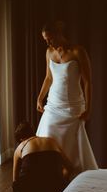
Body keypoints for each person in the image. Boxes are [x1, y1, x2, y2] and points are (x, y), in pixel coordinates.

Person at [36, 20, 98, 173]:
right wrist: (39, 98)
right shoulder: (49, 52)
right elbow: (49, 78)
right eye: (45, 40)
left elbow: (88, 82)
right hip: (53, 104)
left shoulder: (78, 52)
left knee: (71, 146)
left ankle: (73, 176)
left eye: (50, 38)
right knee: (48, 137)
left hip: (73, 106)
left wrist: (89, 109)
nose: (48, 42)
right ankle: (52, 174)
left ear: (58, 34)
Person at [12, 121, 76, 192]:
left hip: (33, 191)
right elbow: (70, 167)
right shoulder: (51, 141)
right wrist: (62, 179)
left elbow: (15, 180)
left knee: (17, 185)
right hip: (54, 187)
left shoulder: (21, 147)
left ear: (21, 139)